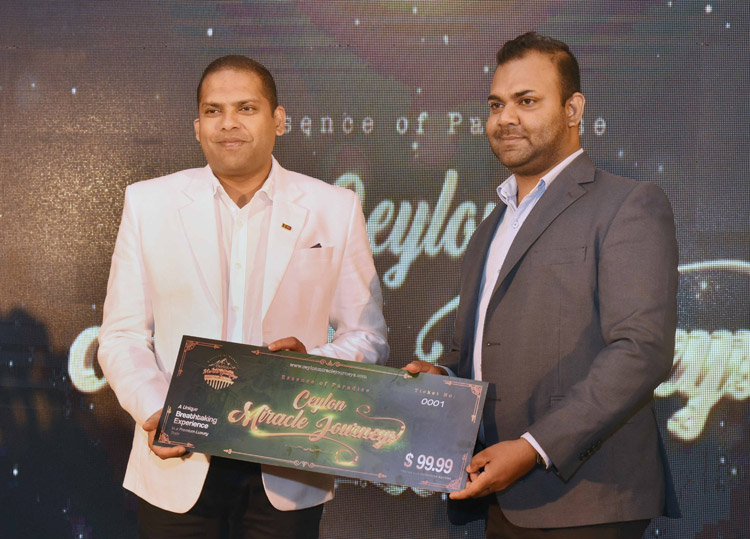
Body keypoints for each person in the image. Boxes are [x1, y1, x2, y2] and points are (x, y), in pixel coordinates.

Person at [98, 55, 389, 538]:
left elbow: (368, 336)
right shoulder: (148, 204)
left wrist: (310, 367)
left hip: (288, 462)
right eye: (213, 111)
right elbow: (121, 334)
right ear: (197, 127)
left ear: (279, 119)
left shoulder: (334, 207)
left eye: (246, 108)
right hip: (177, 460)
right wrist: (158, 412)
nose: (228, 123)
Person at [406, 32, 680, 538]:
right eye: (496, 104)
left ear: (573, 109)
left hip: (588, 500)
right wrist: (441, 376)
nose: (505, 118)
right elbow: (475, 353)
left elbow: (642, 350)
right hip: (498, 489)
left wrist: (533, 448)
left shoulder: (628, 204)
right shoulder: (489, 227)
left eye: (526, 101)